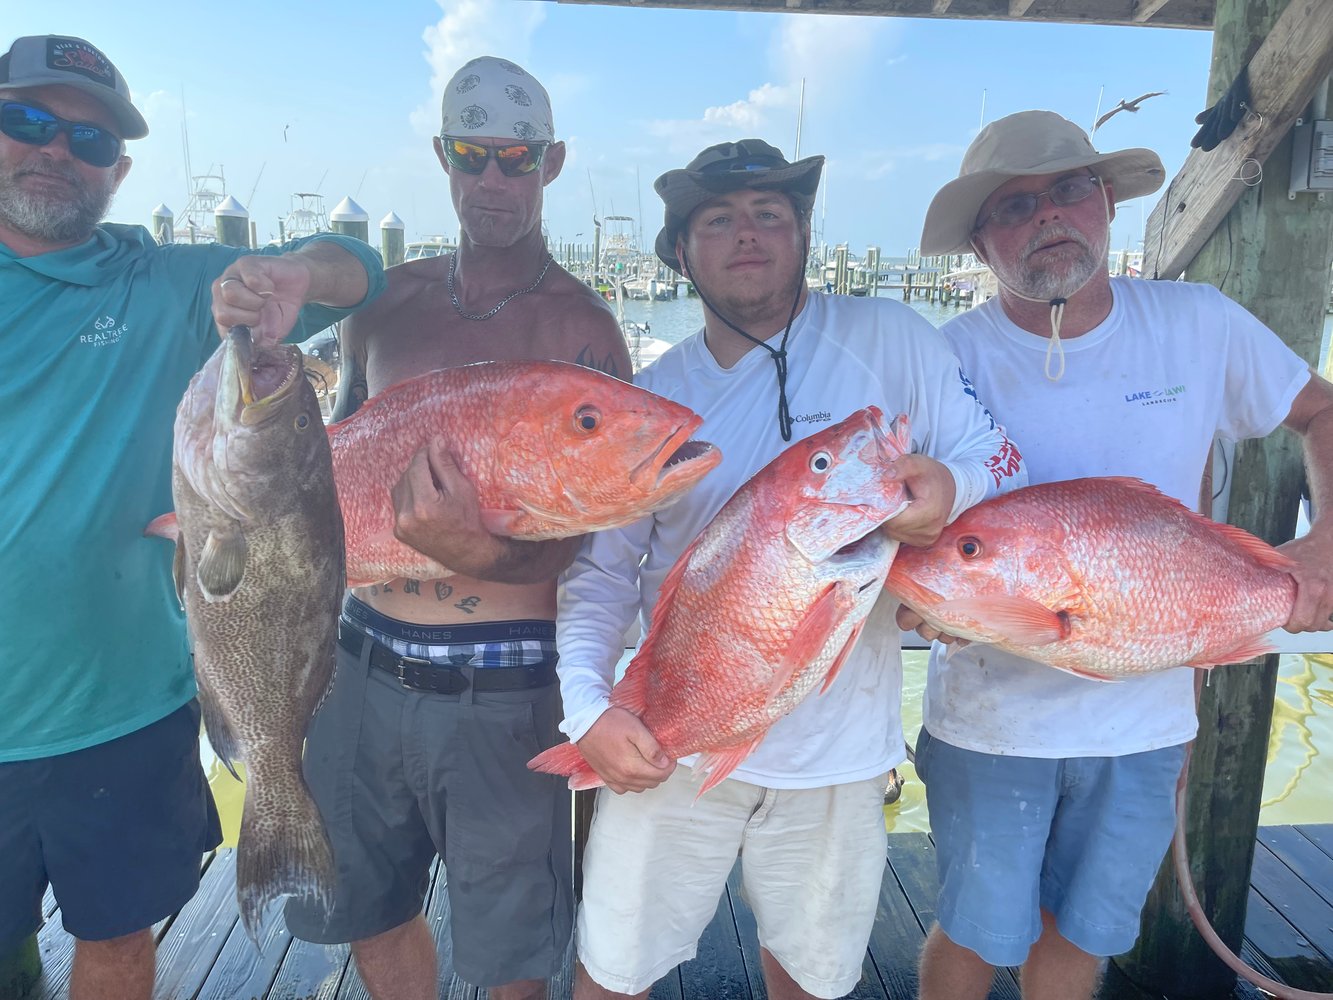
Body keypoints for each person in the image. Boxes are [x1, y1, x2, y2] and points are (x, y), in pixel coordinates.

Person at [554, 138, 1025, 1000]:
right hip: (675, 737)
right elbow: (600, 576)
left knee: (809, 980)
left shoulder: (887, 337)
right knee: (611, 973)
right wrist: (587, 708)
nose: (747, 234)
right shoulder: (657, 401)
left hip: (839, 758)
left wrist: (946, 486)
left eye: (770, 213)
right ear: (679, 251)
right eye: (718, 219)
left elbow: (997, 457)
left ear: (805, 232)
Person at [910, 109, 1333, 1000]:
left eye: (1069, 190)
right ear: (981, 241)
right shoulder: (939, 358)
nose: (1048, 216)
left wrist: (1322, 543)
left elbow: (1322, 410)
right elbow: (900, 522)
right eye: (1015, 205)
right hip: (989, 726)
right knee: (974, 932)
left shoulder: (1199, 322)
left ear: (1105, 202)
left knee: (1083, 933)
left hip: (1143, 725)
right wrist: (907, 597)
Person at [0, 33, 385, 1000]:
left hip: (124, 711)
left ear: (120, 170)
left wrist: (298, 273)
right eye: (27, 121)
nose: (57, 150)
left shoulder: (169, 284)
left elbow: (361, 266)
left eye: (89, 141)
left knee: (121, 945)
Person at [282, 56, 628, 1000]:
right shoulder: (385, 303)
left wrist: (478, 551)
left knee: (508, 951)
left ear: (551, 163)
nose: (493, 181)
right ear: (443, 155)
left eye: (516, 159)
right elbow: (334, 457)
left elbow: (593, 535)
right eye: (473, 156)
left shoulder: (583, 329)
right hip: (357, 665)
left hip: (502, 685)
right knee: (368, 910)